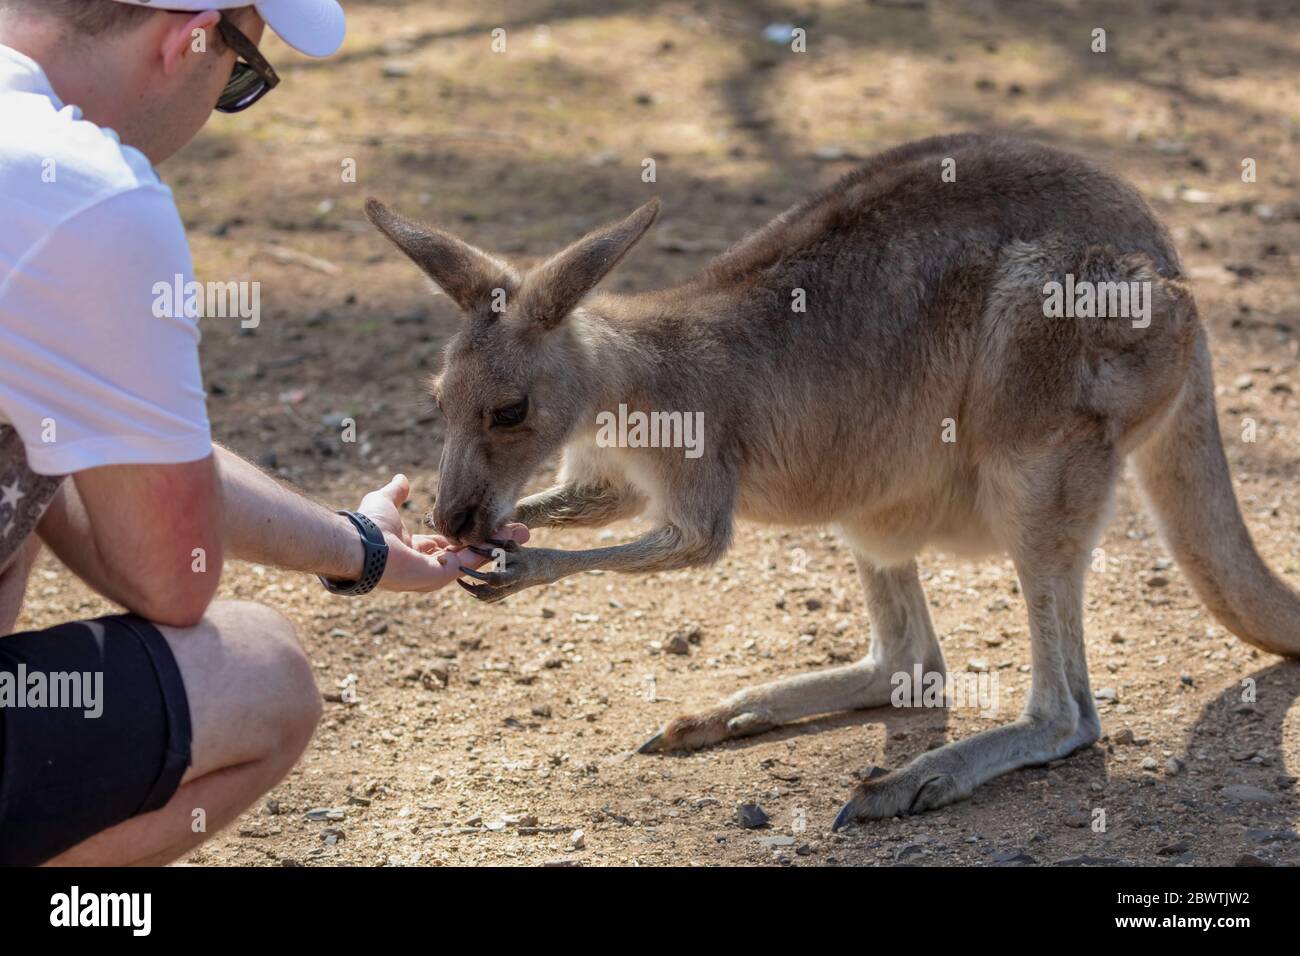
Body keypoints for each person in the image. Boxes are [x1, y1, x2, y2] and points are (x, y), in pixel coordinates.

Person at [0, 0, 522, 866]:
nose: (224, 102)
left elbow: (105, 449)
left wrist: (362, 548)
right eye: (244, 73)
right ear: (190, 39)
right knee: (263, 676)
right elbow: (170, 580)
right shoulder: (86, 194)